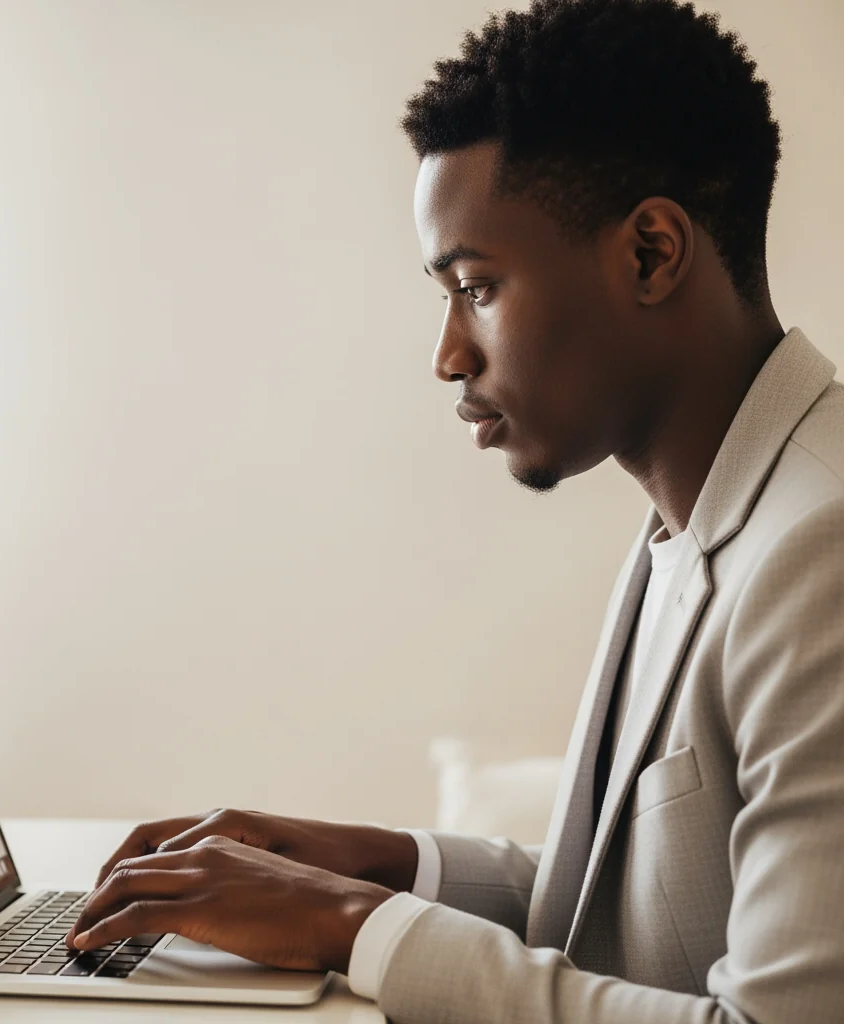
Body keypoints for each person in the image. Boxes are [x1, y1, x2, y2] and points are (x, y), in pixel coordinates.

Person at [64, 1, 844, 1020]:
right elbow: (638, 916)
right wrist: (376, 864)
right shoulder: (707, 517)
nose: (448, 355)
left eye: (476, 286)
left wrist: (348, 923)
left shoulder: (820, 550)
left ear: (652, 253)